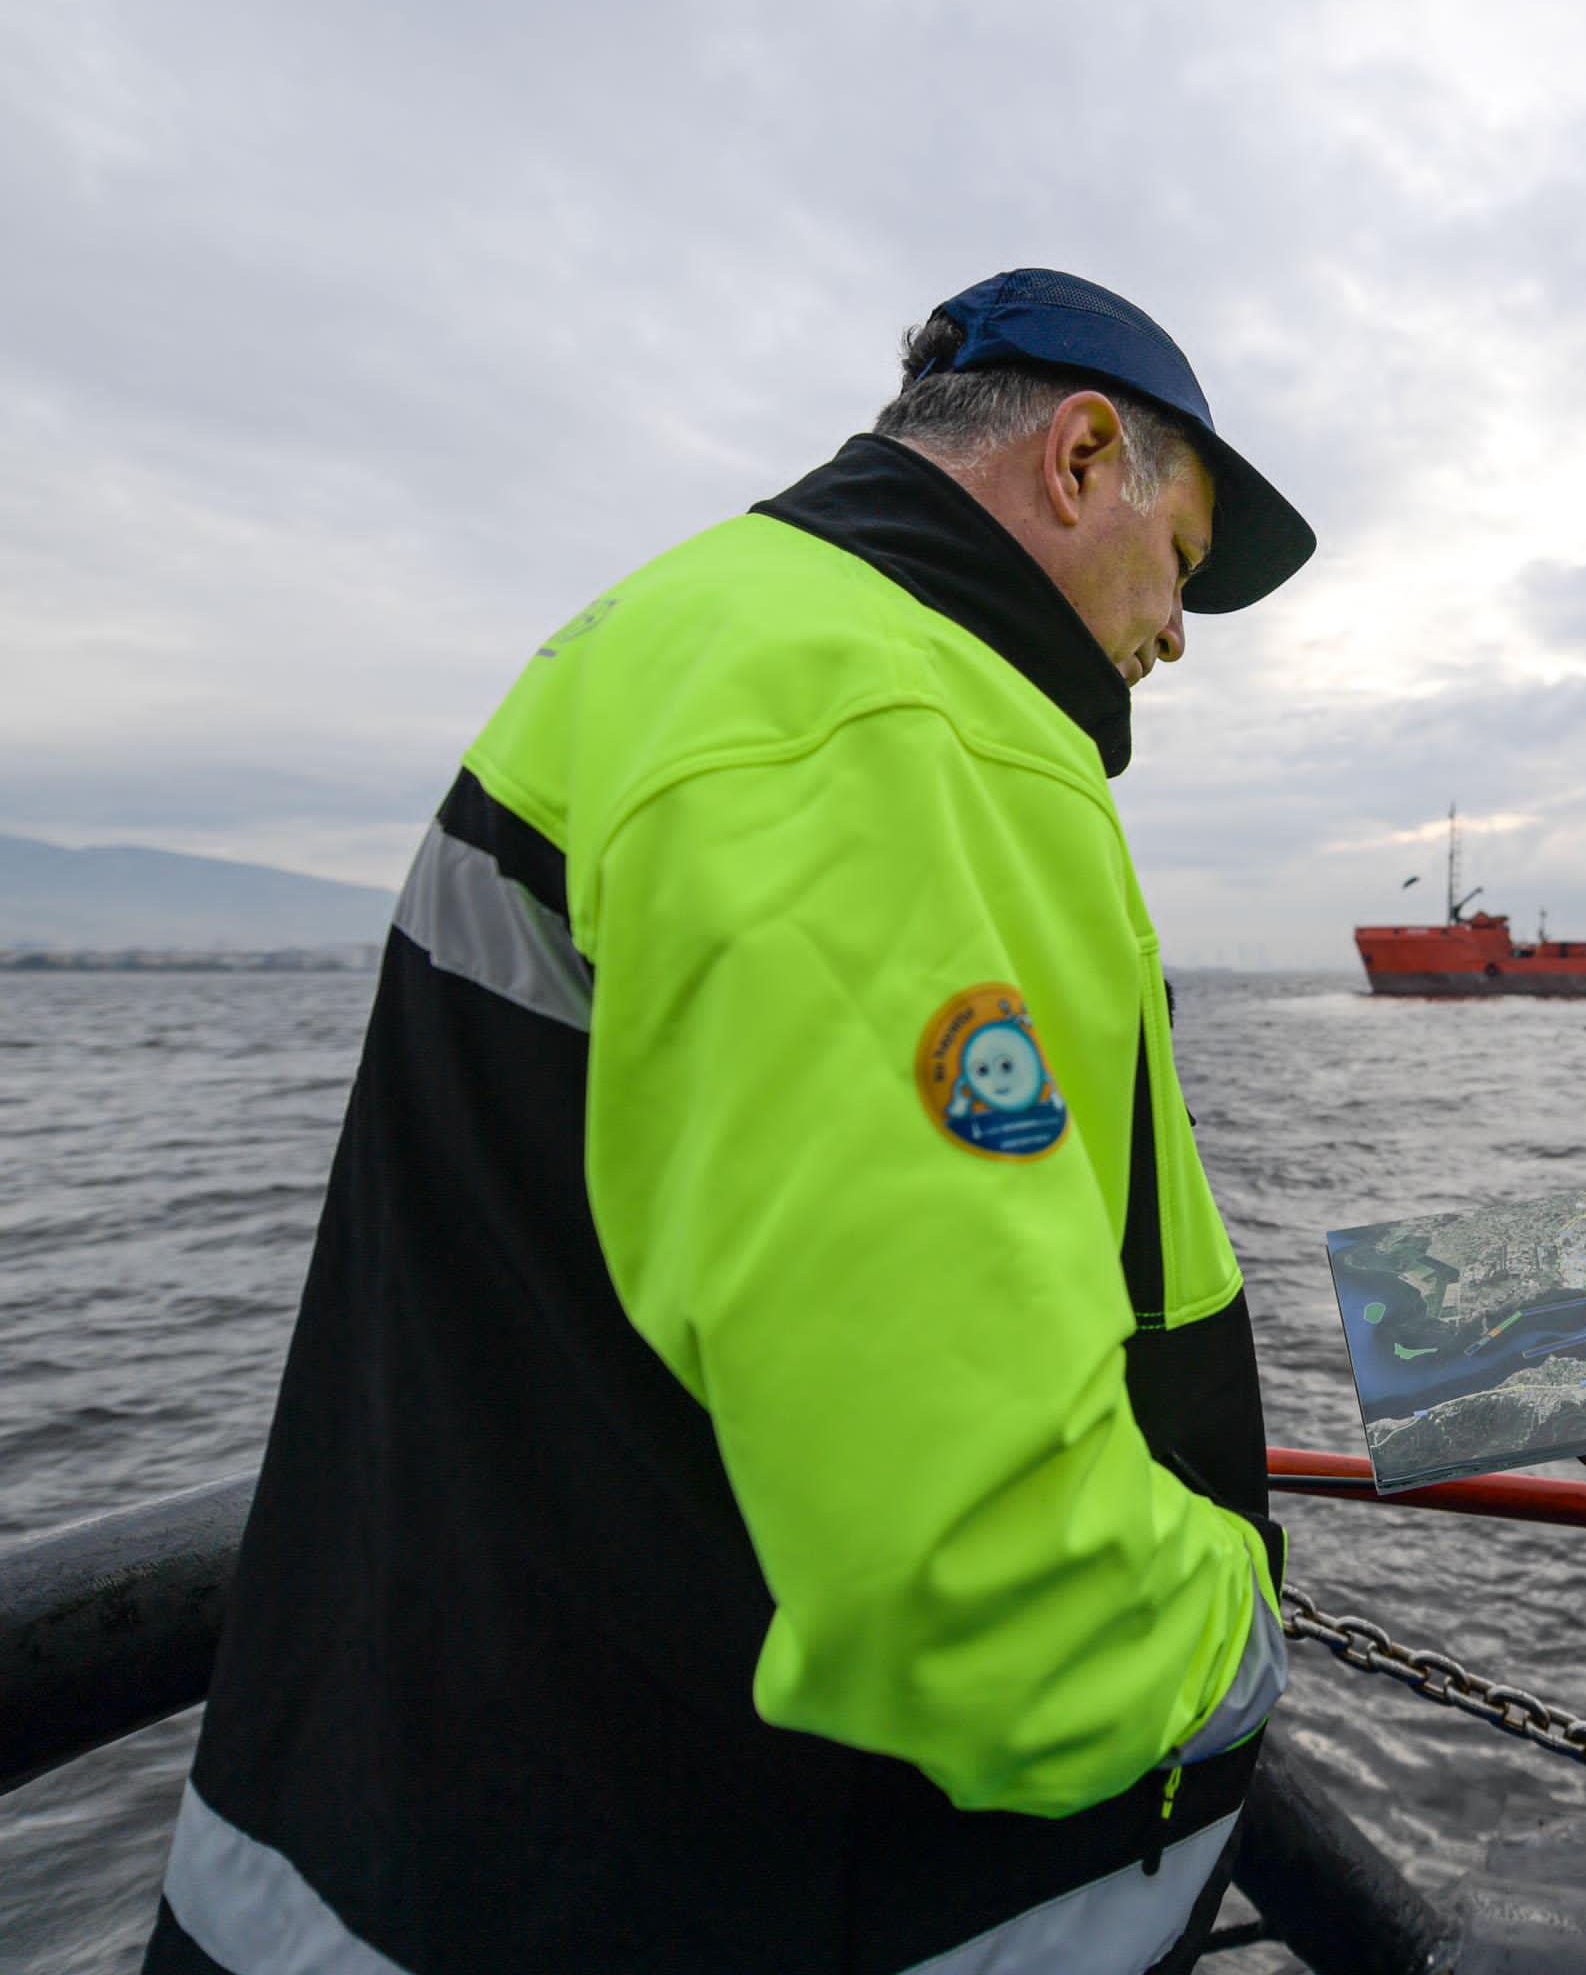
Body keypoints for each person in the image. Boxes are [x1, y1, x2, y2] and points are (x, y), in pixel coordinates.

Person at [146, 270, 1314, 1975]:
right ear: (1076, 461)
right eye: (1184, 566)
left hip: (442, 1827)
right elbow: (976, 1579)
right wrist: (1238, 1633)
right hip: (712, 1878)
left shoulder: (681, 638)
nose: (1176, 632)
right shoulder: (885, 719)